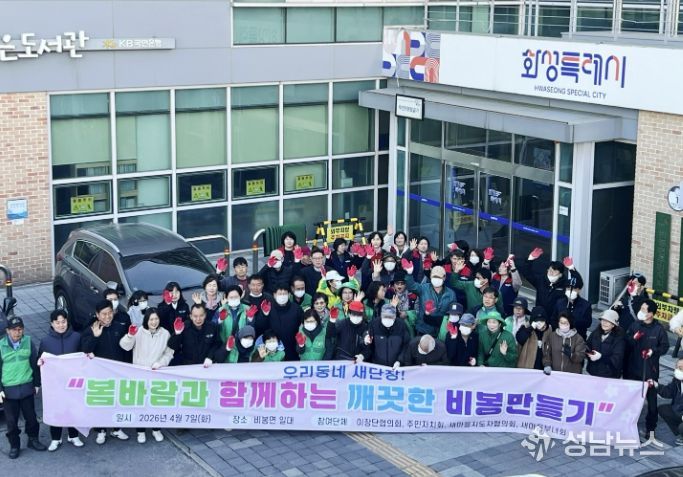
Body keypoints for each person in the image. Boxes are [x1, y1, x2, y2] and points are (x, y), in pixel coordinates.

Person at [81, 300, 132, 444]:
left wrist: (128, 368)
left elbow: (127, 350)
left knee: (117, 402)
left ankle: (117, 429)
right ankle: (101, 430)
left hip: (118, 373)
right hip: (99, 375)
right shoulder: (90, 329)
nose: (107, 316)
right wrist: (95, 337)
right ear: (97, 315)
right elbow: (85, 350)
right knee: (101, 403)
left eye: (110, 313)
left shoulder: (120, 327)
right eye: (104, 314)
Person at [119, 308, 173, 444]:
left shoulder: (165, 333)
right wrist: (129, 336)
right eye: (151, 319)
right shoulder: (139, 332)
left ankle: (156, 429)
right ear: (146, 320)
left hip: (156, 374)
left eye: (156, 319)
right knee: (140, 404)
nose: (154, 322)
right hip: (140, 374)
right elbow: (125, 346)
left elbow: (169, 352)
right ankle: (141, 431)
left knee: (156, 404)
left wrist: (160, 363)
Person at [624, 299, 669, 443]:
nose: (641, 311)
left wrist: (653, 351)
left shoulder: (659, 329)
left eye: (644, 309)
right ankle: (627, 425)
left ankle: (651, 429)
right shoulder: (635, 325)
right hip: (633, 369)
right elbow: (626, 342)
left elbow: (665, 346)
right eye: (641, 308)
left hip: (650, 370)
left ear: (650, 314)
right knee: (630, 400)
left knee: (652, 403)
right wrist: (633, 338)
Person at [0, 317, 46, 458]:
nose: (17, 332)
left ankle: (33, 440)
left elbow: (34, 364)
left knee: (31, 418)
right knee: (12, 422)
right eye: (14, 330)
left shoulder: (28, 342)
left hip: (26, 387)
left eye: (20, 329)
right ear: (8, 331)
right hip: (8, 390)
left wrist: (37, 383)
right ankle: (15, 445)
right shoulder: (1, 345)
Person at [38, 310, 83, 451]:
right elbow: (40, 359)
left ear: (67, 322)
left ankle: (73, 435)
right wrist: (40, 362)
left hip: (73, 381)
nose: (61, 325)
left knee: (73, 408)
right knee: (55, 410)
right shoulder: (45, 341)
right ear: (52, 324)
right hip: (55, 383)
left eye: (63, 322)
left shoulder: (76, 337)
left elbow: (83, 356)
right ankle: (56, 438)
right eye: (57, 322)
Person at [403, 263, 455, 337]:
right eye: (434, 276)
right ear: (430, 276)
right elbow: (411, 286)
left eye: (439, 277)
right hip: (423, 329)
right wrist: (409, 274)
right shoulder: (423, 288)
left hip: (441, 331)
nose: (436, 279)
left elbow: (452, 312)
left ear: (444, 278)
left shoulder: (451, 294)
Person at [517, 248, 566, 317]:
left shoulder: (564, 285)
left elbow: (578, 285)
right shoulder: (541, 280)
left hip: (555, 318)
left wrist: (572, 269)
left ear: (560, 274)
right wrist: (530, 259)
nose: (551, 273)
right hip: (539, 316)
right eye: (550, 270)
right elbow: (527, 274)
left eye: (555, 271)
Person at [585, 309, 625, 379]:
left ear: (613, 325)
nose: (604, 323)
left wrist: (600, 357)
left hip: (609, 376)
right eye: (603, 320)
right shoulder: (595, 333)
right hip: (592, 372)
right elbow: (588, 346)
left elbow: (617, 359)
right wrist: (587, 353)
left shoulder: (619, 339)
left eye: (608, 321)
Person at [551, 271, 592, 339]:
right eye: (568, 288)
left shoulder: (586, 305)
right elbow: (553, 319)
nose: (570, 291)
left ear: (579, 290)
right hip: (560, 336)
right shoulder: (559, 302)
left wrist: (570, 322)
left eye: (574, 289)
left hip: (578, 338)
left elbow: (588, 323)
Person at [268, 285, 304, 361]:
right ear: (274, 295)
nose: (282, 296)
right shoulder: (269, 308)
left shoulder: (297, 309)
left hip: (293, 349)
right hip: (274, 351)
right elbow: (263, 328)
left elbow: (302, 327)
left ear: (289, 295)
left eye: (284, 294)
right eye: (280, 294)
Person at [654, 358, 683, 446]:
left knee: (681, 427)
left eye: (681, 368)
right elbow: (668, 392)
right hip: (678, 411)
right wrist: (656, 385)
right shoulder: (677, 380)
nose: (678, 370)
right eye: (677, 367)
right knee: (663, 409)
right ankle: (680, 434)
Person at [516, 306, 551, 370]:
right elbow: (520, 339)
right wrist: (531, 328)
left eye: (542, 321)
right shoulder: (525, 327)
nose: (539, 323)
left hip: (543, 368)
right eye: (537, 321)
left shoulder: (549, 330)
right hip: (527, 367)